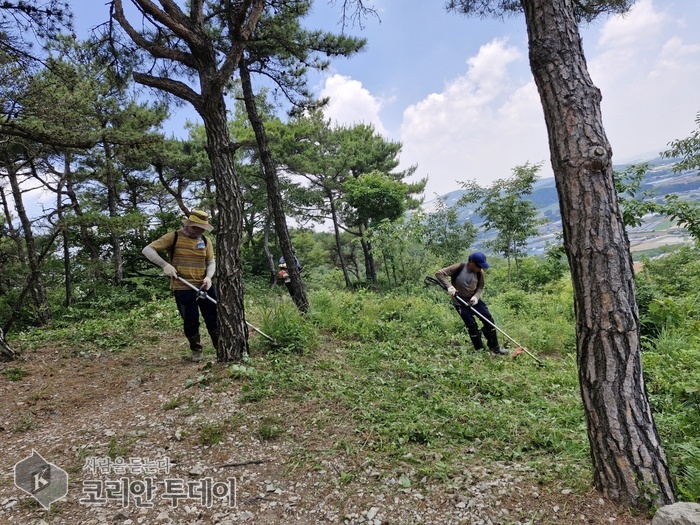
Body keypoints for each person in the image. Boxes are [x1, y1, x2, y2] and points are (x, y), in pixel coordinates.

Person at [142, 209, 218, 362]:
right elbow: (147, 250)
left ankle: (220, 348)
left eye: (202, 228)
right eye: (197, 227)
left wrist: (209, 277)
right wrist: (165, 265)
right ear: (189, 225)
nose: (199, 231)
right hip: (183, 287)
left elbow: (210, 262)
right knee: (191, 320)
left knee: (214, 317)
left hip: (204, 285)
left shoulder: (206, 240)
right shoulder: (174, 236)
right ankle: (196, 350)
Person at [435, 252, 507, 355]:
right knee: (472, 325)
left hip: (473, 301)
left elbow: (480, 287)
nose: (480, 268)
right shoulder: (459, 267)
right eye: (478, 265)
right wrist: (449, 286)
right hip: (459, 301)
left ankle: (495, 347)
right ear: (471, 263)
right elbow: (439, 273)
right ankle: (480, 350)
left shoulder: (480, 272)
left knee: (488, 320)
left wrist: (476, 297)